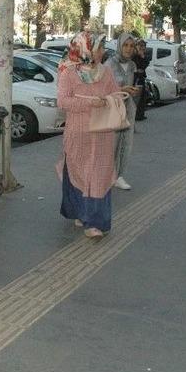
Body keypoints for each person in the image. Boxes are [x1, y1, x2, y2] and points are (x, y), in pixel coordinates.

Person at [57, 31, 119, 238]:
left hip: (102, 134)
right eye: (99, 47)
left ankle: (94, 222)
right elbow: (63, 102)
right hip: (78, 134)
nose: (102, 51)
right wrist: (90, 103)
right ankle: (78, 212)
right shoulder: (68, 73)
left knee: (99, 176)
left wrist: (110, 99)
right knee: (77, 174)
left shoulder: (106, 72)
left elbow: (115, 94)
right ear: (86, 49)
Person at [103, 33, 141, 190]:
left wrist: (134, 91)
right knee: (111, 144)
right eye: (125, 45)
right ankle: (106, 176)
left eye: (132, 46)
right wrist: (120, 89)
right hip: (113, 109)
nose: (128, 49)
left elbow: (131, 84)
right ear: (119, 45)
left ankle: (118, 175)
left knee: (126, 143)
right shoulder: (109, 64)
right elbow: (102, 89)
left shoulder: (132, 65)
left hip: (128, 108)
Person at [132, 39, 150, 121]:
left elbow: (145, 64)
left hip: (141, 77)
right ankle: (135, 115)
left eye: (143, 46)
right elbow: (136, 66)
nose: (142, 48)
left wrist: (142, 56)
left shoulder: (144, 55)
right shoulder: (133, 55)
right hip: (135, 78)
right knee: (136, 96)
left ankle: (141, 114)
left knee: (143, 96)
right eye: (140, 46)